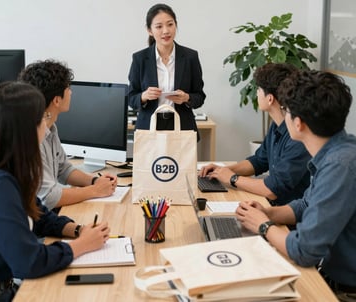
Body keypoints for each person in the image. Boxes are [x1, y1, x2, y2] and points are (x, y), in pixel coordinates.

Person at [0, 82, 111, 301]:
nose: (46, 126)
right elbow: (28, 261)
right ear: (24, 129)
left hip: (5, 287)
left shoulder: (11, 169)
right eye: (42, 120)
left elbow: (39, 215)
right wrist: (81, 245)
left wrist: (79, 230)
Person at [235, 70, 356, 301]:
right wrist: (268, 212)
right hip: (332, 277)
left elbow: (304, 251)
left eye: (287, 111)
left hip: (345, 291)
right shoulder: (340, 150)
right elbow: (305, 204)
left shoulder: (339, 166)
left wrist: (263, 226)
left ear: (298, 123)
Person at [200, 63, 311, 206]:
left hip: (288, 216)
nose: (257, 93)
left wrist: (232, 179)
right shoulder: (277, 125)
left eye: (258, 89)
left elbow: (273, 189)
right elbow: (259, 161)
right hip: (273, 206)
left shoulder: (297, 137)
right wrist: (223, 171)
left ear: (270, 99)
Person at [18, 60, 117, 211]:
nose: (71, 92)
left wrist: (95, 181)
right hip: (37, 223)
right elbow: (48, 198)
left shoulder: (51, 128)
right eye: (68, 88)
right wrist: (95, 191)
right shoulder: (32, 137)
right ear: (57, 100)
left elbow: (63, 169)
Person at [128, 3, 206, 138]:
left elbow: (200, 96)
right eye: (159, 26)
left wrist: (186, 98)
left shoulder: (190, 57)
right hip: (149, 130)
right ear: (150, 30)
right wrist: (144, 96)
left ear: (176, 25)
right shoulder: (140, 58)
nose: (166, 31)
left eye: (170, 24)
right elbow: (130, 98)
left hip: (182, 129)